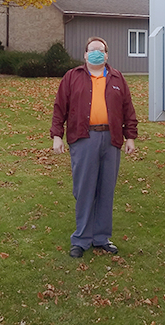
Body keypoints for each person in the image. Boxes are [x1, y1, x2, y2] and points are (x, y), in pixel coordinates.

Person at [50, 36, 138, 258]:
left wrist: (130, 137)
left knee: (106, 189)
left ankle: (101, 238)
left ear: (106, 55)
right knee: (84, 189)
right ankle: (81, 239)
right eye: (92, 50)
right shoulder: (72, 77)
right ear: (85, 54)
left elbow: (128, 109)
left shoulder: (117, 78)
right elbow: (60, 107)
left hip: (111, 139)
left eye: (101, 50)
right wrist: (57, 135)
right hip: (84, 138)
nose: (96, 53)